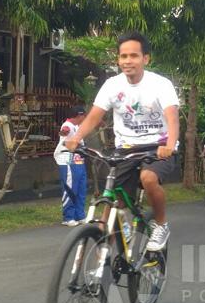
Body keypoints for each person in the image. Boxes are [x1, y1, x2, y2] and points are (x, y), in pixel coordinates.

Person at [64, 32, 179, 252]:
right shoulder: (112, 85)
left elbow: (172, 118)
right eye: (123, 56)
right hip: (126, 149)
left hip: (159, 147)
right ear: (118, 59)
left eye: (134, 56)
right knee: (114, 199)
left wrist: (170, 144)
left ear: (146, 59)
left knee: (148, 177)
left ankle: (161, 225)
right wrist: (76, 138)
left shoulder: (160, 84)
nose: (128, 61)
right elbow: (94, 117)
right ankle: (103, 255)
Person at [54, 107, 88, 227]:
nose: (85, 118)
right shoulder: (67, 125)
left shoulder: (78, 127)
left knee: (81, 187)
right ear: (79, 115)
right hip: (66, 156)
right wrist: (64, 132)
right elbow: (63, 133)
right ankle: (68, 217)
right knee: (70, 187)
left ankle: (80, 215)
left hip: (78, 157)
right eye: (84, 116)